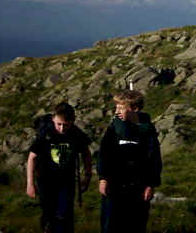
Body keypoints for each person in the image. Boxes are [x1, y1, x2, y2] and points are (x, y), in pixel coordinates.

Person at [97, 89, 162, 233]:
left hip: (138, 188)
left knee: (135, 225)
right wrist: (103, 178)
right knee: (110, 224)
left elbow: (154, 160)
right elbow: (104, 154)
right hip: (114, 185)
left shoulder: (148, 131)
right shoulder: (115, 127)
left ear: (135, 109)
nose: (116, 111)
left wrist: (150, 185)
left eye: (121, 108)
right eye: (116, 107)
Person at [26, 102, 92, 233]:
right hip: (45, 181)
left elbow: (86, 153)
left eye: (66, 125)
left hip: (66, 182)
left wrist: (87, 176)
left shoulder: (75, 133)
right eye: (59, 124)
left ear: (72, 121)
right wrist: (30, 183)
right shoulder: (46, 134)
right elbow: (32, 157)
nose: (62, 128)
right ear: (53, 119)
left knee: (65, 215)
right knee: (48, 215)